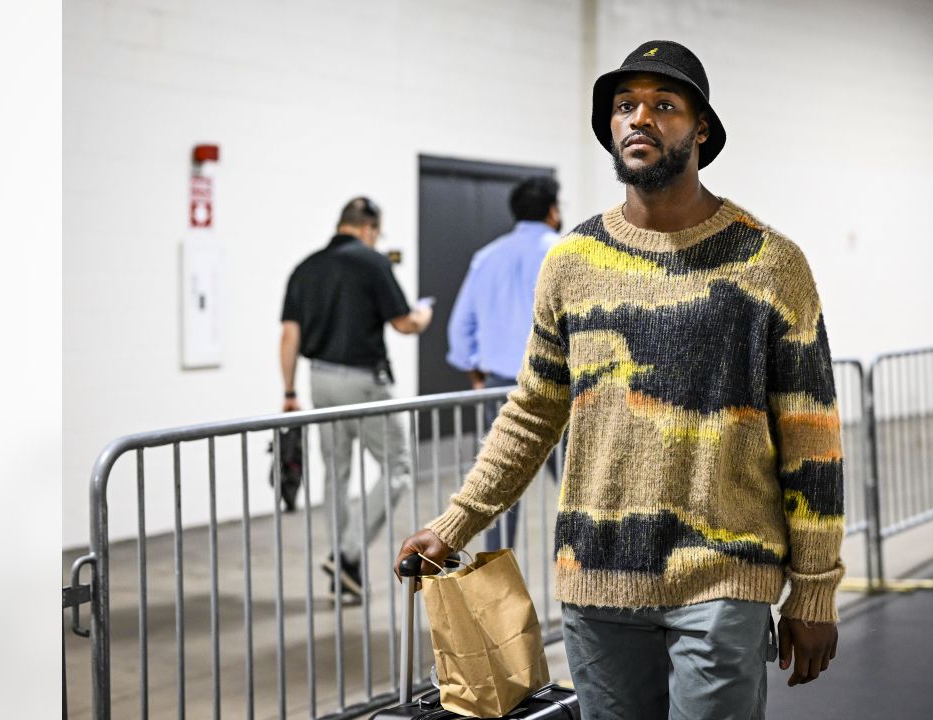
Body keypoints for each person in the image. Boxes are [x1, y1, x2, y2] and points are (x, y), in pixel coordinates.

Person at [398, 40, 843, 719]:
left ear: (701, 130)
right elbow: (534, 410)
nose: (640, 119)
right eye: (625, 106)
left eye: (664, 106)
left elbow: (811, 434)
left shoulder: (769, 262)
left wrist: (814, 590)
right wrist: (456, 524)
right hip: (596, 579)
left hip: (723, 576)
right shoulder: (572, 261)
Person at [280, 196, 433, 600]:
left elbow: (289, 335)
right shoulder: (372, 262)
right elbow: (403, 323)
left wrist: (290, 392)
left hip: (319, 380)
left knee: (336, 472)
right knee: (398, 467)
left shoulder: (306, 268)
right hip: (363, 382)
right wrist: (423, 315)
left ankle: (344, 574)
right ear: (368, 228)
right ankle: (347, 554)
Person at [446, 176, 564, 552]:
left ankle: (499, 586)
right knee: (577, 490)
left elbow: (459, 326)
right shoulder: (565, 253)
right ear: (552, 210)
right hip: (558, 390)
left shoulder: (487, 256)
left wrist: (474, 370)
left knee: (496, 493)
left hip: (500, 385)